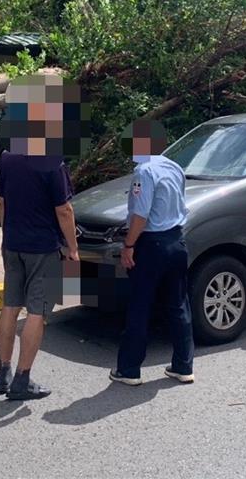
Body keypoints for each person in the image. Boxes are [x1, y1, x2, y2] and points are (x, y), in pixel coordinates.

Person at [0, 75, 80, 400]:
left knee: (10, 305)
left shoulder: (7, 155)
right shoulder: (52, 160)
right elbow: (64, 211)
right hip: (42, 248)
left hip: (12, 243)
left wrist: (7, 234)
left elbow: (2, 203)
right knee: (37, 313)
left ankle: (2, 372)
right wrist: (73, 249)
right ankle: (22, 380)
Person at [109, 119, 194, 386]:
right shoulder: (175, 167)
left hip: (150, 245)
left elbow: (140, 215)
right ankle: (183, 366)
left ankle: (129, 369)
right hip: (176, 242)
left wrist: (129, 245)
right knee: (178, 305)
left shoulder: (144, 172)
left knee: (140, 306)